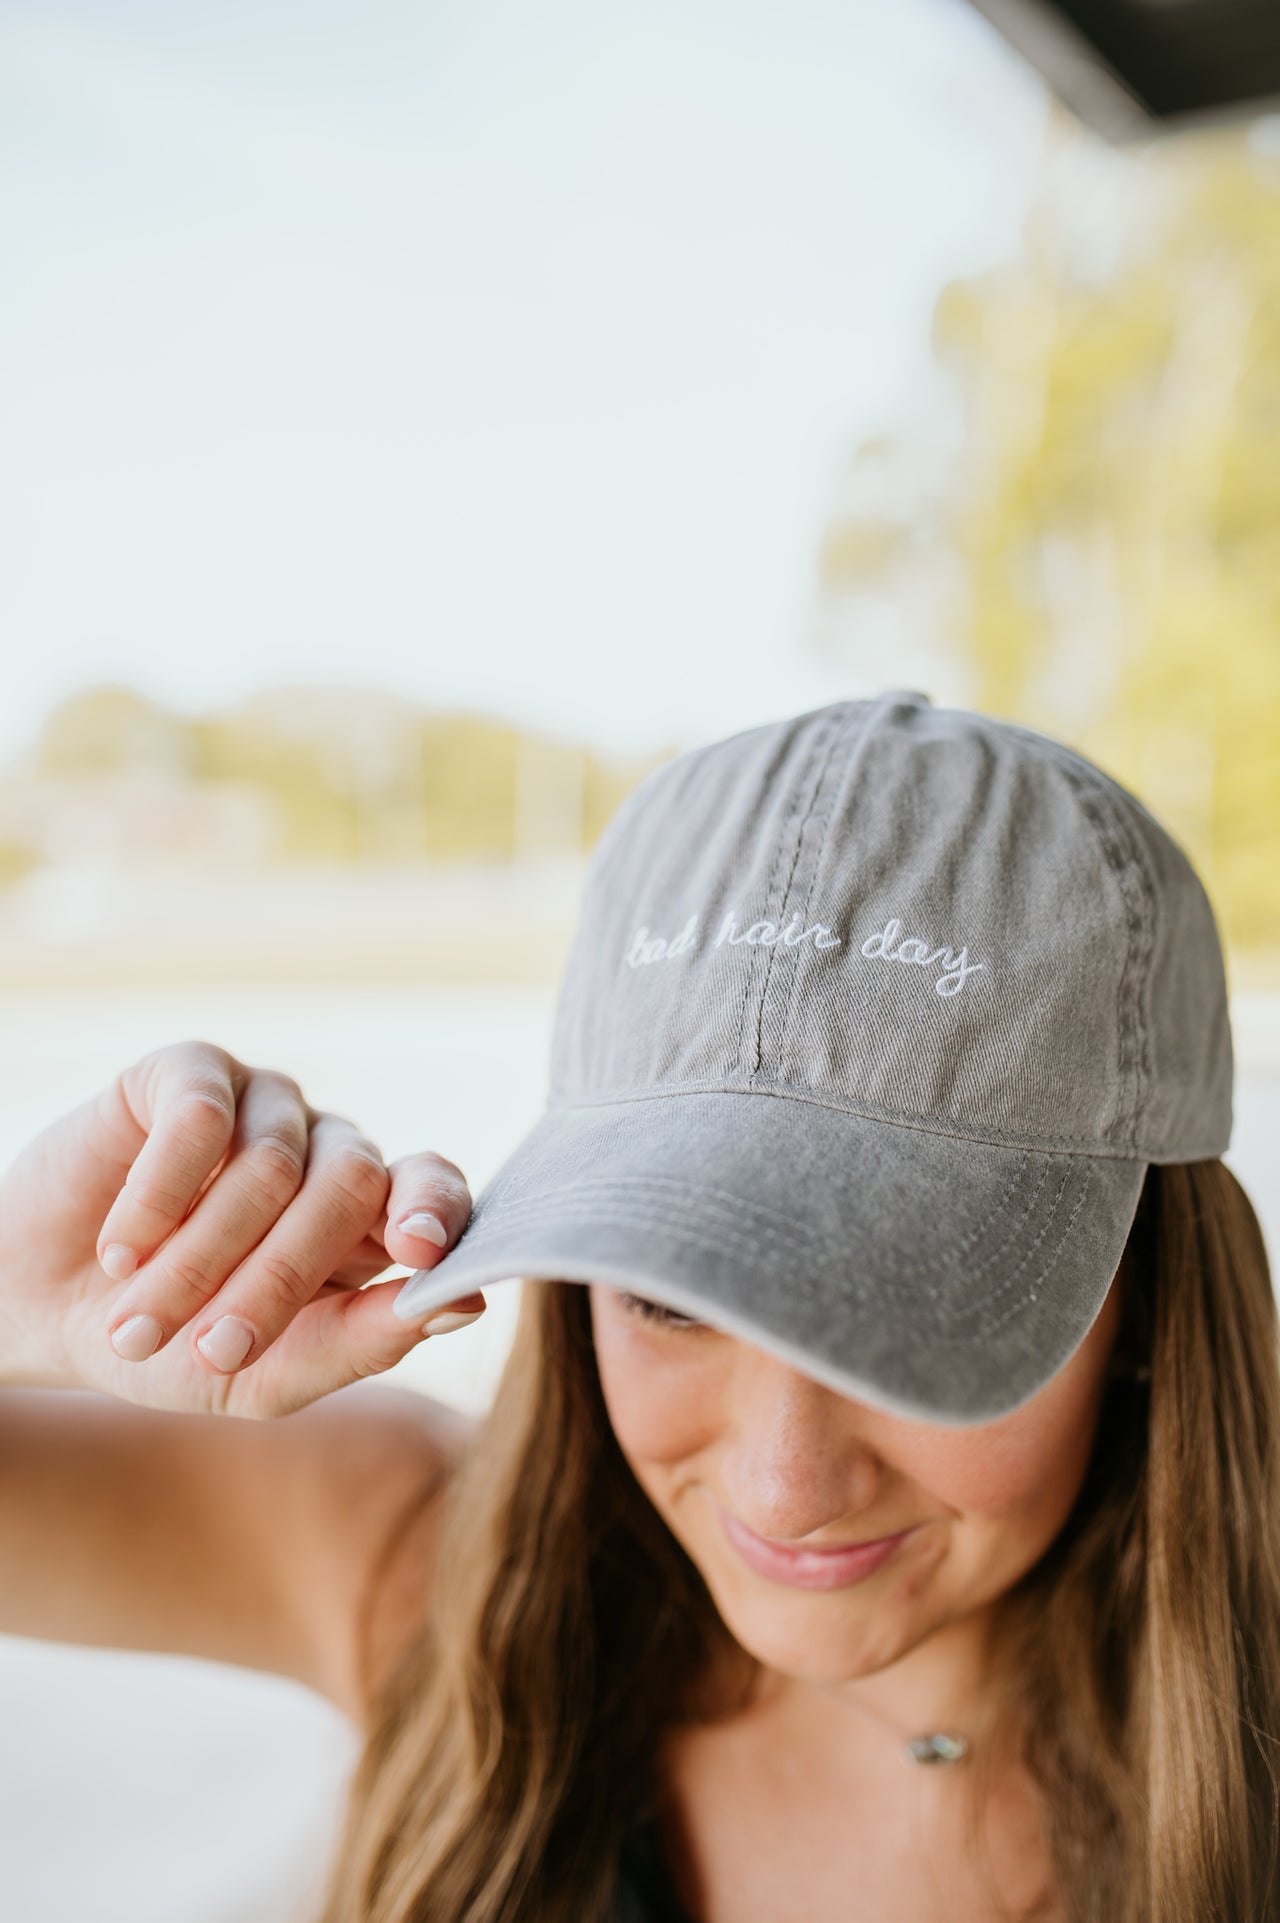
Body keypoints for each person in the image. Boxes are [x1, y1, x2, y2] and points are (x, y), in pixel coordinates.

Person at [1, 689, 1276, 1923]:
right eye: (671, 1300)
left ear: (1148, 1310)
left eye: (913, 1313)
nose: (786, 1487)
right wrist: (26, 1291)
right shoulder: (427, 1574)